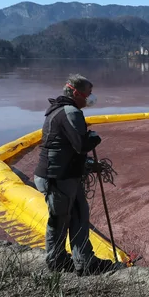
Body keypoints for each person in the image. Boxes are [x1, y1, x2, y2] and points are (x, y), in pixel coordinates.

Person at [32, 74, 124, 275]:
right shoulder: (70, 112)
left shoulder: (58, 111)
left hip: (63, 175)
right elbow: (81, 145)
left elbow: (66, 149)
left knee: (77, 216)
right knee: (60, 220)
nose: (90, 99)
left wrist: (90, 164)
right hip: (58, 178)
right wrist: (94, 137)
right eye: (88, 94)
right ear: (76, 92)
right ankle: (60, 261)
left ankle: (81, 261)